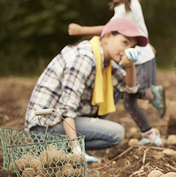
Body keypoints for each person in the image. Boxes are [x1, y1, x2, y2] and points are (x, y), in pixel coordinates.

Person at [25, 17, 149, 162]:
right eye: (125, 42)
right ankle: (68, 150)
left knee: (116, 91)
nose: (127, 50)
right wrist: (77, 150)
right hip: (44, 127)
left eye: (132, 47)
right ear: (108, 36)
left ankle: (63, 150)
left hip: (60, 121)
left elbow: (130, 88)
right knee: (116, 133)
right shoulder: (85, 57)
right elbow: (66, 110)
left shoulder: (105, 61)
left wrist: (129, 66)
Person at [68, 0, 164, 146]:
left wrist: (80, 30)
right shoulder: (125, 6)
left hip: (139, 60)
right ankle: (150, 94)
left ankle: (150, 135)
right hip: (139, 57)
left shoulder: (130, 7)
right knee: (125, 91)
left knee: (129, 101)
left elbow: (110, 29)